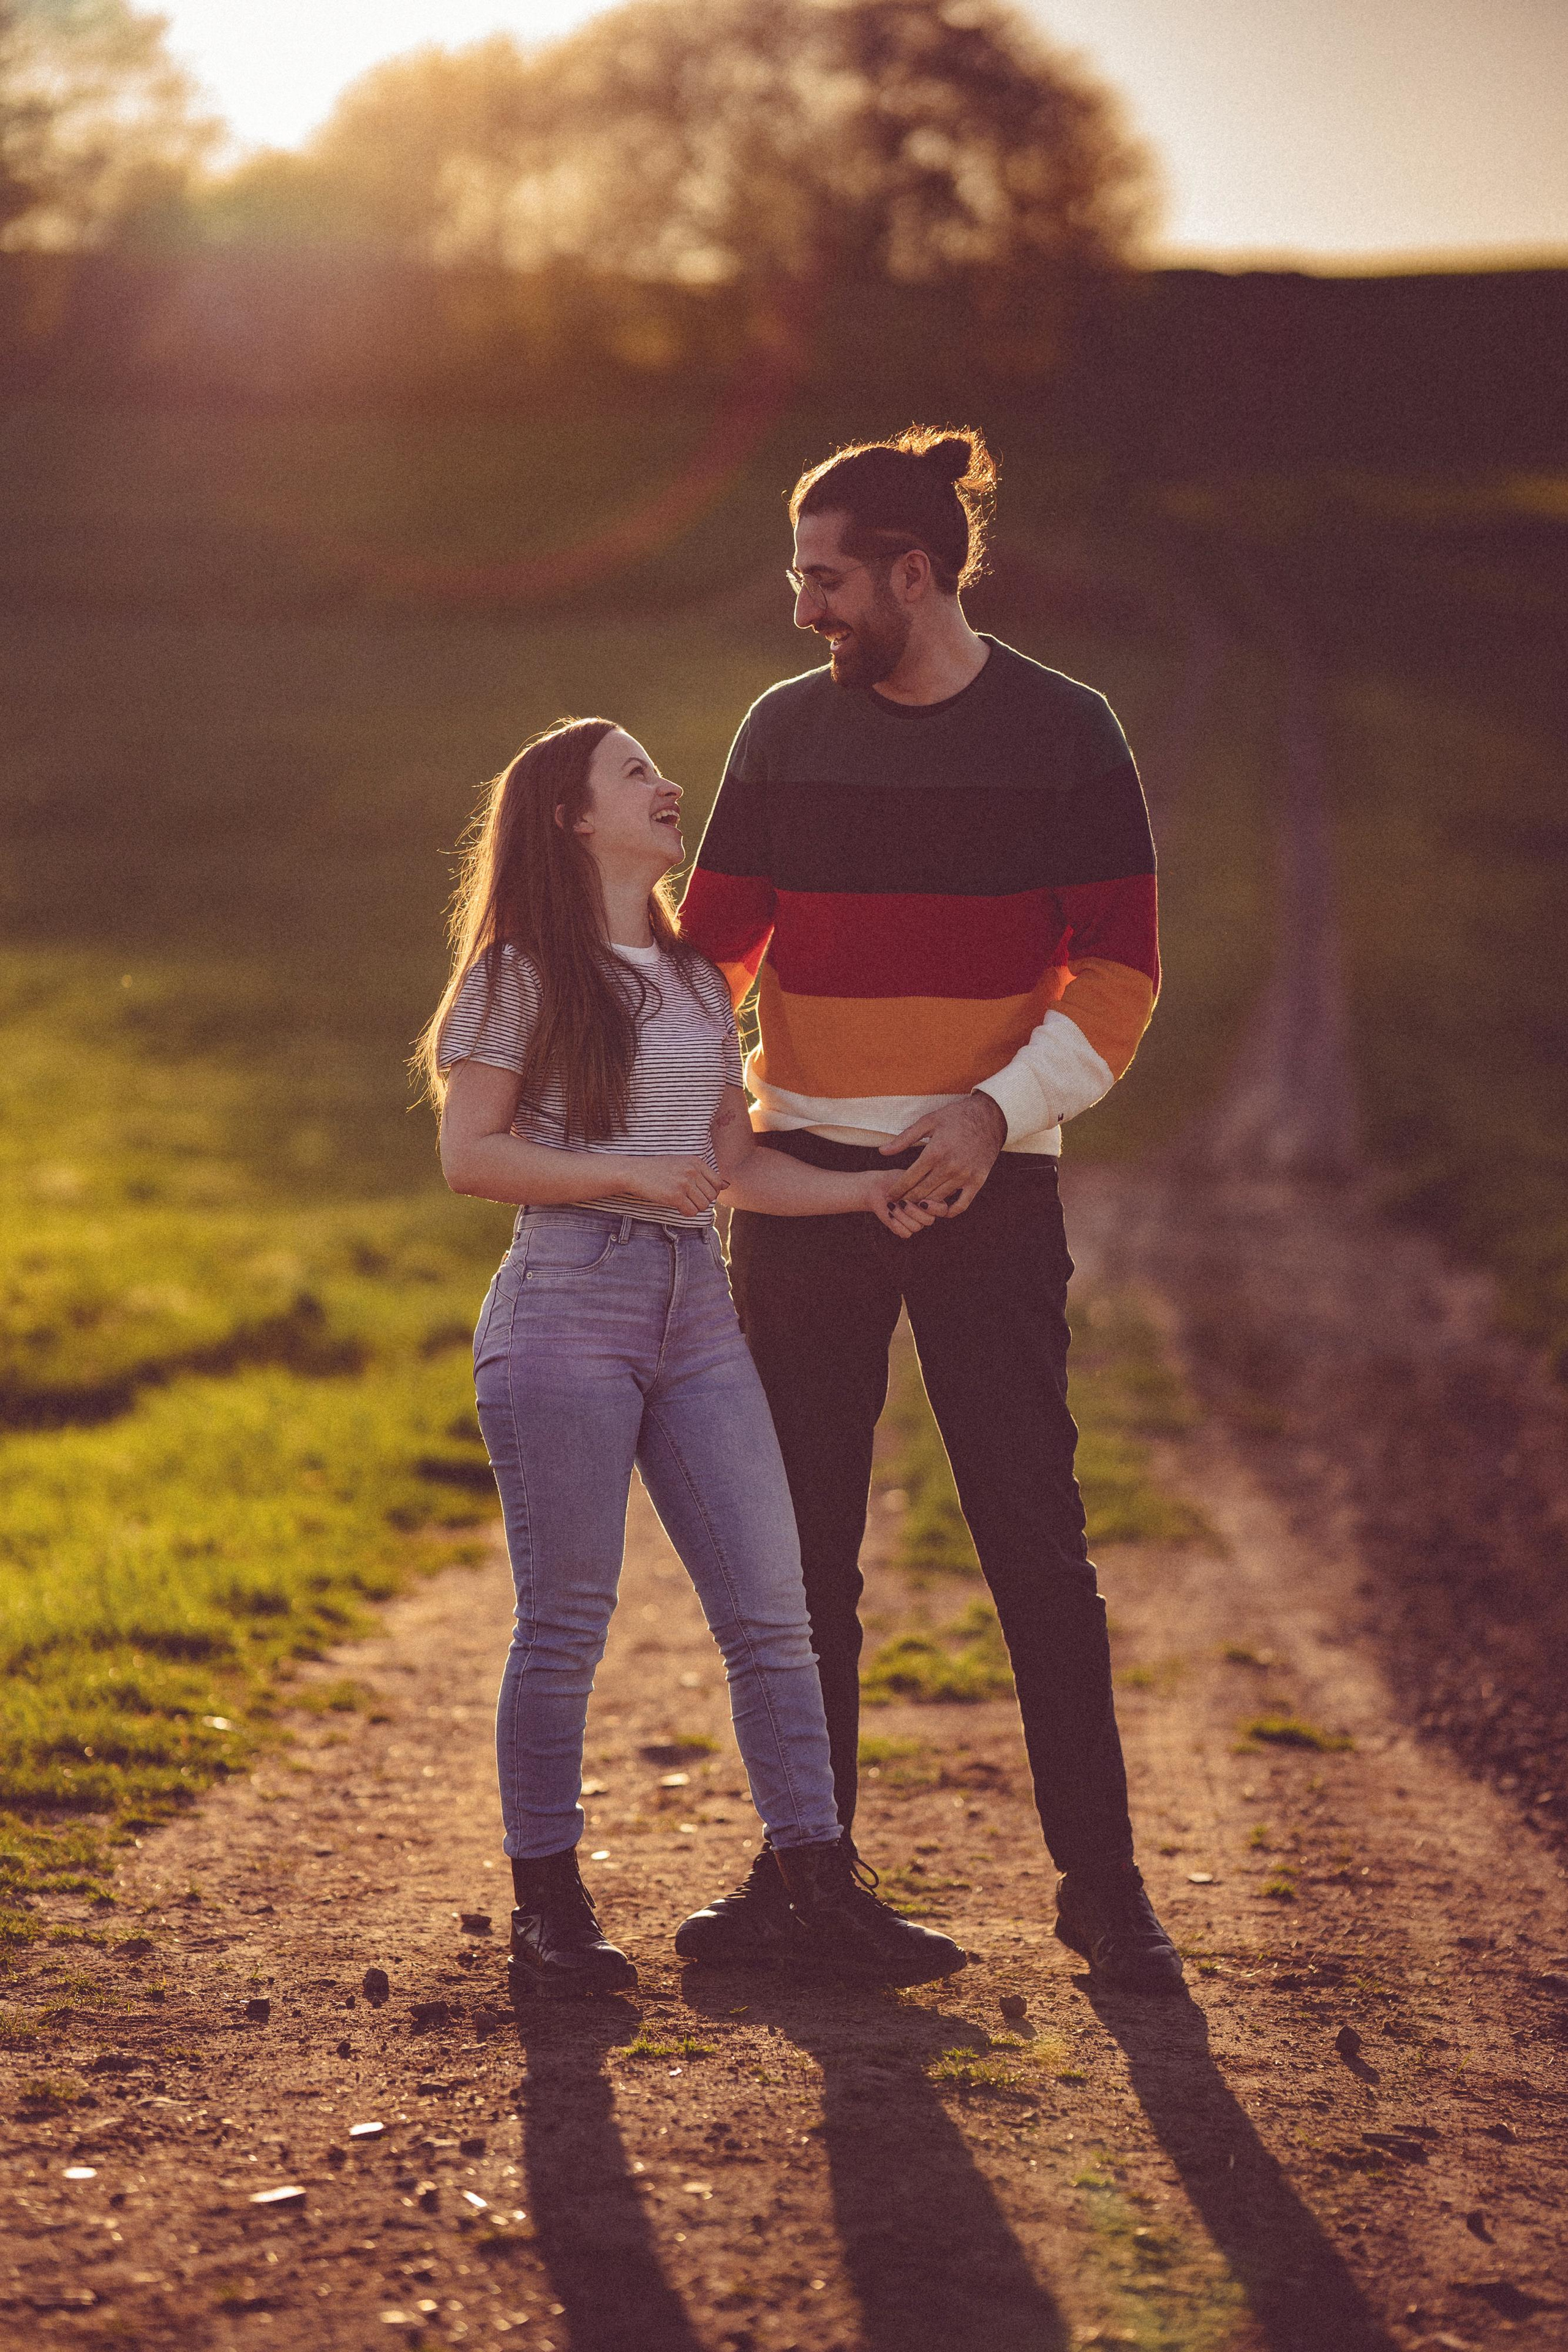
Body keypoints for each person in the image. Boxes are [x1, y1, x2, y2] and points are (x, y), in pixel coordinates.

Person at [676, 428, 1183, 1994]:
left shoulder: (1067, 732)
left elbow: (1116, 976)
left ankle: (1103, 1892)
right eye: (796, 574)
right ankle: (805, 1874)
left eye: (824, 578)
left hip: (987, 1182)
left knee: (1034, 1538)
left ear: (913, 571)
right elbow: (713, 963)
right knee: (797, 1550)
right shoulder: (780, 734)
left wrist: (986, 1111)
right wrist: (705, 1128)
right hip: (805, 1193)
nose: (801, 606)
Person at [417, 714, 965, 1996]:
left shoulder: (695, 981)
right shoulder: (517, 971)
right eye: (635, 774)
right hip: (565, 1302)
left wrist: (866, 1193)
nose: (670, 789)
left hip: (694, 1314)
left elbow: (728, 1167)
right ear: (570, 817)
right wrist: (618, 1172)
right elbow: (469, 1157)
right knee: (564, 1625)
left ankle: (816, 1892)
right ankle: (549, 1908)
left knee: (774, 1615)